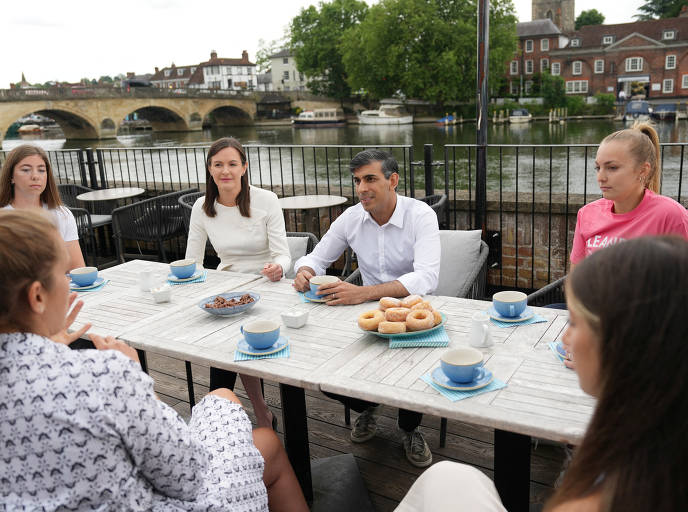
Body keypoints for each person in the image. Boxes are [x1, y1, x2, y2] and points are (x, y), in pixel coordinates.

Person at [395, 237, 688, 511]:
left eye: (574, 322)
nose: (565, 337)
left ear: (626, 339)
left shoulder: (614, 491)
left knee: (447, 477)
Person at [0, 209, 309, 512]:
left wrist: (43, 345)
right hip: (171, 497)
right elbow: (188, 476)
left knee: (222, 397)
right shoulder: (101, 376)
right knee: (261, 436)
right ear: (38, 296)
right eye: (62, 275)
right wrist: (133, 377)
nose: (68, 283)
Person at [293, 149, 440, 467]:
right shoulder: (351, 218)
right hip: (364, 311)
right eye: (357, 180)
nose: (361, 188)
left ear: (393, 181)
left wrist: (363, 292)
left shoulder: (421, 215)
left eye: (370, 179)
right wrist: (304, 271)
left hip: (415, 308)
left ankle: (409, 427)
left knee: (412, 372)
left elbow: (427, 275)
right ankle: (368, 406)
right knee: (319, 370)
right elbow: (317, 258)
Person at [185, 137, 292, 430]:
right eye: (218, 164)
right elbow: (193, 262)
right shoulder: (202, 207)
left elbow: (283, 254)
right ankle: (255, 413)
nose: (225, 171)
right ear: (209, 169)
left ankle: (222, 417)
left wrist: (278, 268)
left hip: (267, 286)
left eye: (232, 164)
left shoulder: (266, 200)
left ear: (244, 167)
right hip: (227, 290)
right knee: (226, 341)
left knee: (234, 344)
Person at [570, 123, 688, 265]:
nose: (600, 177)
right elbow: (575, 279)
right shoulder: (587, 214)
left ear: (643, 170)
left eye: (612, 168)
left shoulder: (673, 217)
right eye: (598, 167)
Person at [0, 144, 85, 271]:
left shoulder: (62, 214)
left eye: (41, 170)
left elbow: (77, 268)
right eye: (25, 170)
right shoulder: (3, 219)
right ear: (11, 177)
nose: (35, 176)